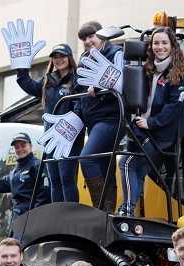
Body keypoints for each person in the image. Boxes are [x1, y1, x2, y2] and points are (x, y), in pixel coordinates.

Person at [118, 26, 184, 217]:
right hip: (142, 130)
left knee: (127, 163)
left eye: (164, 43)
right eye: (156, 43)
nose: (160, 47)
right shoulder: (148, 70)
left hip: (163, 134)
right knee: (136, 167)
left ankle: (127, 209)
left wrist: (151, 123)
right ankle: (132, 210)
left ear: (173, 46)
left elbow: (174, 108)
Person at [16, 43, 81, 203]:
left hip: (69, 138)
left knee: (66, 178)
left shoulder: (78, 78)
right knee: (54, 180)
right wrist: (21, 66)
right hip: (50, 138)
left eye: (62, 56)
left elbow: (81, 107)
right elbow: (27, 83)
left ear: (69, 57)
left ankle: (71, 217)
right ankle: (57, 218)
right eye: (55, 57)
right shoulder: (48, 81)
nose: (59, 60)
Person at [74, 21, 123, 211]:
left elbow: (121, 81)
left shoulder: (116, 53)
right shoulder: (85, 59)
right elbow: (78, 90)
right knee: (104, 164)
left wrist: (102, 86)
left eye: (91, 36)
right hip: (92, 121)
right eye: (84, 38)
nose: (87, 41)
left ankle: (100, 207)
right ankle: (107, 211)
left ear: (102, 35)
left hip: (109, 118)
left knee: (87, 158)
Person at [0, 132, 51, 218]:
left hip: (32, 221)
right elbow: (1, 186)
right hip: (18, 221)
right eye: (17, 147)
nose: (20, 149)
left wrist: (35, 218)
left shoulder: (38, 166)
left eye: (23, 145)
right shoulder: (14, 172)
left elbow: (44, 195)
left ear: (30, 146)